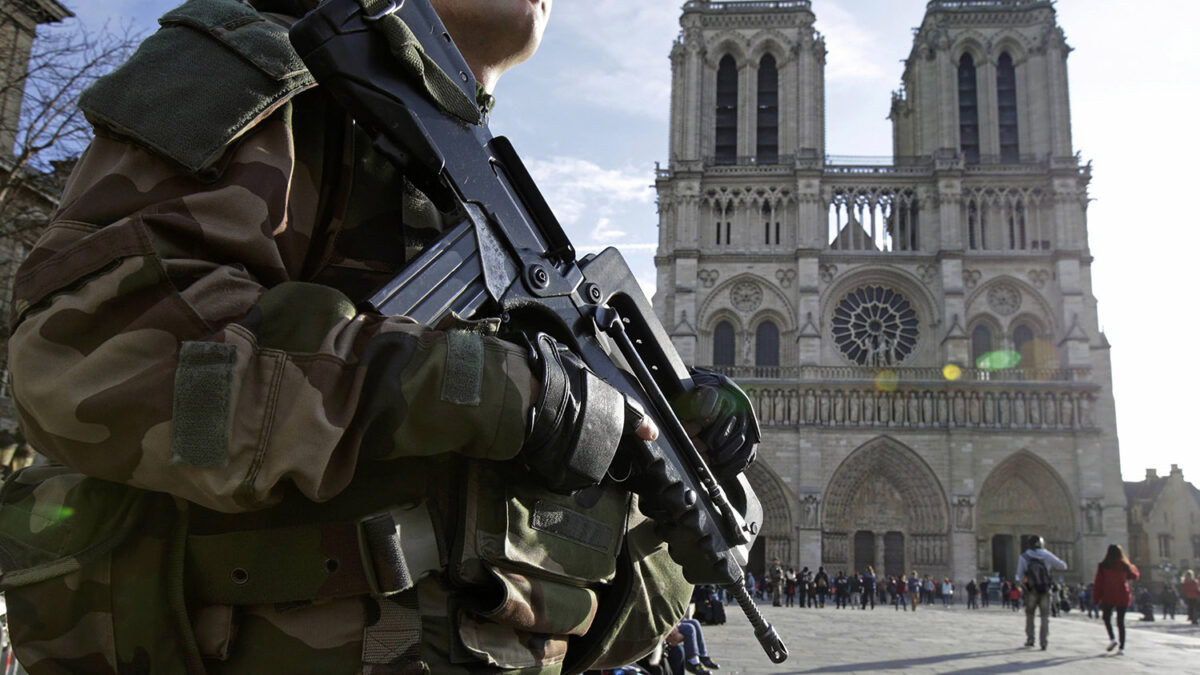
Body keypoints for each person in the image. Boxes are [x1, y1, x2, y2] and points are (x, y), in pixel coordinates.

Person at [0, 0, 762, 672]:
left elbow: (569, 608)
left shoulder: (492, 214)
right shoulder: (264, 69)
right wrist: (495, 389)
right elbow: (91, 355)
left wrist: (662, 484)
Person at [1017, 535, 1068, 650]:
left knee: (1030, 615)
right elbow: (1063, 566)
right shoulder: (1046, 554)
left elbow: (1020, 575)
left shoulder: (1024, 556)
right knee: (1044, 616)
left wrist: (1026, 583)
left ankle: (1030, 639)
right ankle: (1043, 641)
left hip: (1031, 591)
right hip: (1045, 590)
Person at [1093, 543, 1139, 656]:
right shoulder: (1124, 565)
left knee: (1106, 617)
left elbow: (1098, 583)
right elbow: (1135, 576)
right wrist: (1131, 566)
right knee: (1120, 622)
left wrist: (1096, 599)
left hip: (1108, 594)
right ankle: (1122, 648)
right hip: (1123, 594)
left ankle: (1113, 638)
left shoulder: (1103, 566)